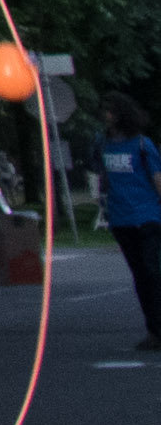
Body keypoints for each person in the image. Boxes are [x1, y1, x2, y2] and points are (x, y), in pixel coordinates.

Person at [92, 93, 161, 352]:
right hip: (121, 219)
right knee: (141, 277)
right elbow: (105, 177)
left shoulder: (142, 145)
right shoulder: (104, 145)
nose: (105, 115)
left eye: (110, 111)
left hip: (147, 217)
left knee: (152, 273)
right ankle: (154, 330)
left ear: (122, 114)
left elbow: (157, 178)